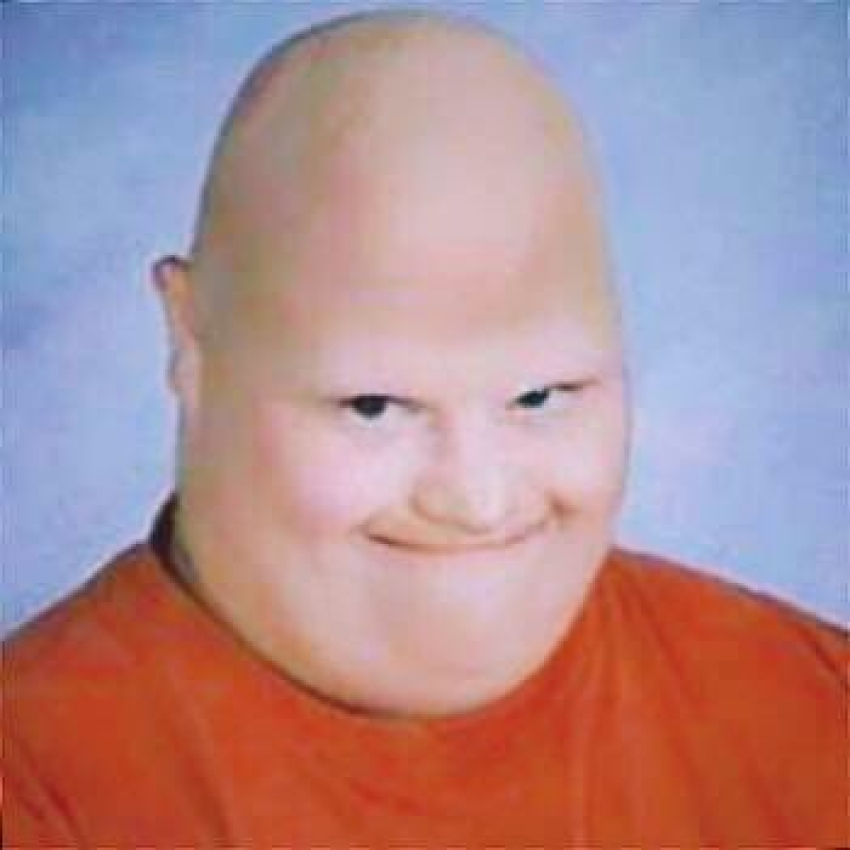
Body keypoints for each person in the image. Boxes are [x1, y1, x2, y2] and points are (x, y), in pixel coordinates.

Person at [4, 10, 846, 846]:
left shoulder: (815, 708)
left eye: (542, 397)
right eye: (374, 407)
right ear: (190, 342)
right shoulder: (42, 786)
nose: (478, 502)